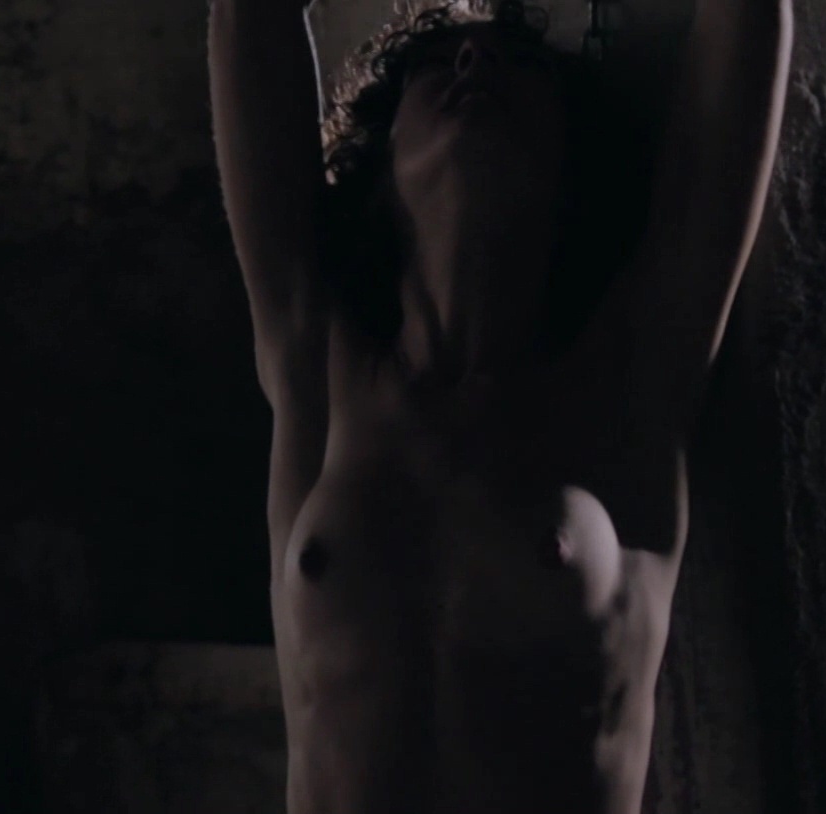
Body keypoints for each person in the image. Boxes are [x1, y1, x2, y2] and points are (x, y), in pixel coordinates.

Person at [208, 0, 791, 810]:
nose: (473, 64)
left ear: (567, 158)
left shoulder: (629, 378)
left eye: (519, 64)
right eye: (434, 63)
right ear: (381, 158)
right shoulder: (319, 366)